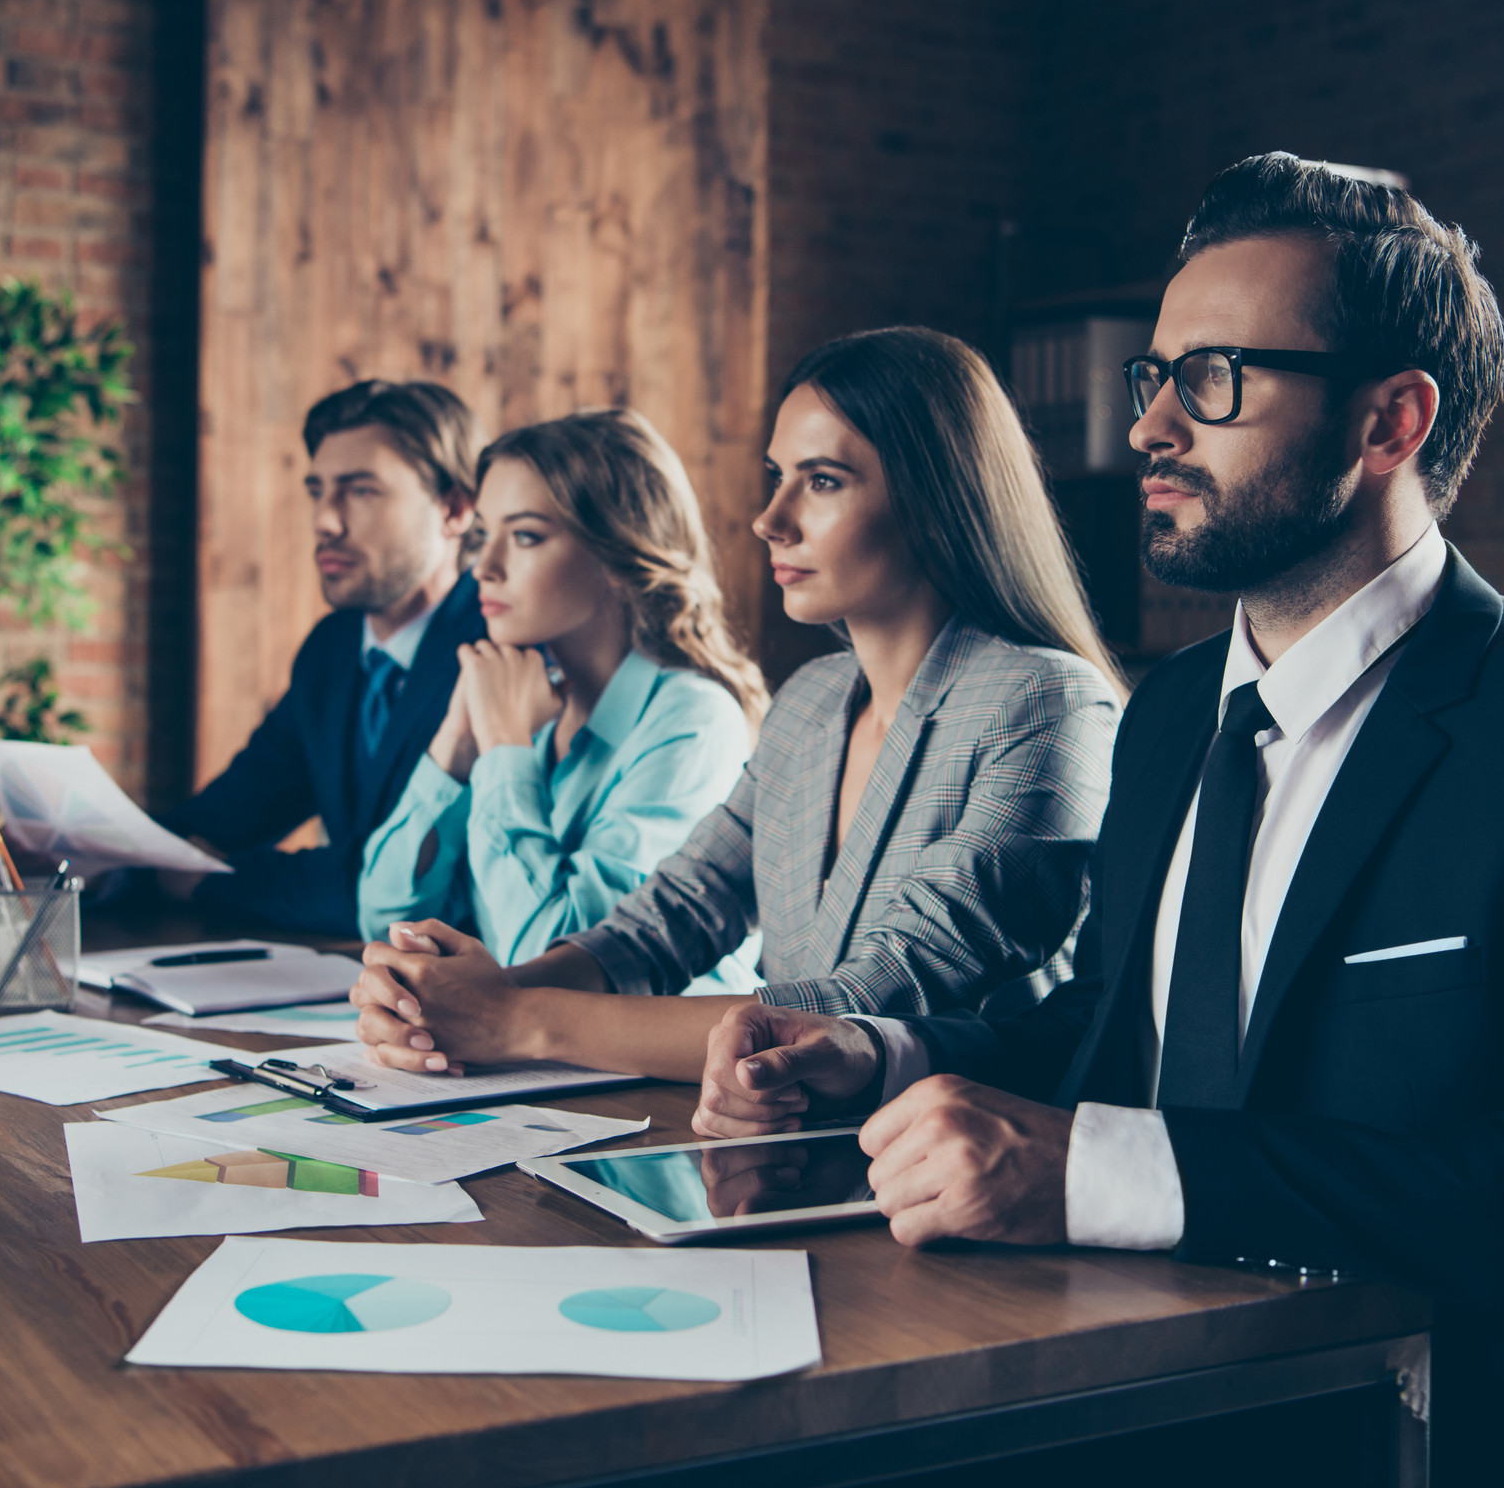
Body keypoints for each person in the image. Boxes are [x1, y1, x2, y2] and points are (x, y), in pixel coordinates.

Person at [692, 155, 1504, 1486]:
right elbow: (1105, 1033)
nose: (1149, 427)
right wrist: (877, 1052)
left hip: (1438, 1440)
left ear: (1388, 422)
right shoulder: (1163, 719)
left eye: (1210, 380)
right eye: (1150, 378)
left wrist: (1096, 1173)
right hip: (1134, 1396)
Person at [351, 327, 1125, 1083]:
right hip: (781, 1149)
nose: (769, 519)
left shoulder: (1045, 703)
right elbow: (664, 923)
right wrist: (457, 1000)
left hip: (961, 1179)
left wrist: (514, 1020)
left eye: (821, 480)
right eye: (776, 475)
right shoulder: (811, 702)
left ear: (938, 495)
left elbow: (867, 1003)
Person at [355, 408, 766, 970]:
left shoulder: (694, 721)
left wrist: (503, 748)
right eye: (482, 536)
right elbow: (383, 921)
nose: (483, 567)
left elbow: (561, 963)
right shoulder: (524, 697)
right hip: (527, 1055)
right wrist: (456, 744)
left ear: (620, 557)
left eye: (525, 536)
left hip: (664, 1058)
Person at [150, 380, 487, 935]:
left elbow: (423, 884)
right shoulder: (331, 650)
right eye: (317, 491)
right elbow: (230, 812)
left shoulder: (497, 652)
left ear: (453, 509)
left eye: (360, 492)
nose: (325, 521)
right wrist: (99, 852)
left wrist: (212, 878)